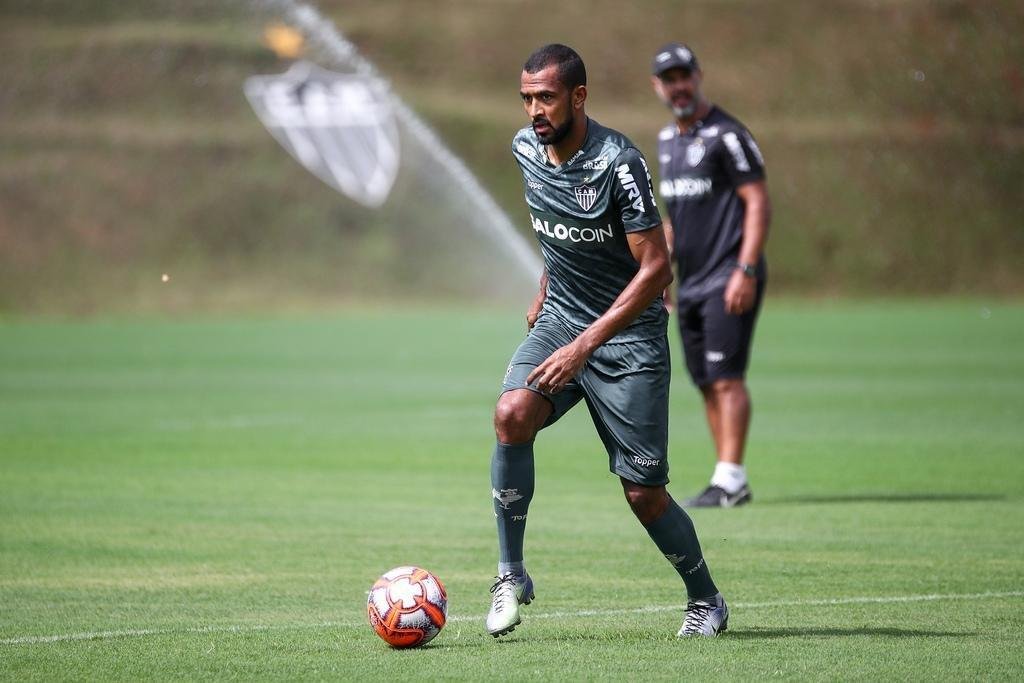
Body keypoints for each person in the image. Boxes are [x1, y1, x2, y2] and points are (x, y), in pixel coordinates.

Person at [486, 43, 728, 639]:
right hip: (562, 321)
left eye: (546, 97)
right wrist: (546, 286)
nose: (534, 110)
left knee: (644, 494)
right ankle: (510, 574)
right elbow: (558, 228)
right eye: (526, 98)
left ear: (579, 96)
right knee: (511, 414)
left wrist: (584, 347)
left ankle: (706, 599)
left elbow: (657, 268)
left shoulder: (619, 162)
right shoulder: (525, 149)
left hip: (629, 340)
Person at [650, 43, 771, 508]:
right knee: (704, 379)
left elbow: (757, 201)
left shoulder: (728, 135)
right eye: (669, 79)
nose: (678, 86)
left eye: (684, 76)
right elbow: (675, 217)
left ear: (698, 76)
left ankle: (732, 478)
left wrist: (746, 268)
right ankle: (725, 477)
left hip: (729, 273)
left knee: (726, 378)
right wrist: (661, 272)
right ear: (657, 87)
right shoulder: (666, 140)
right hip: (692, 280)